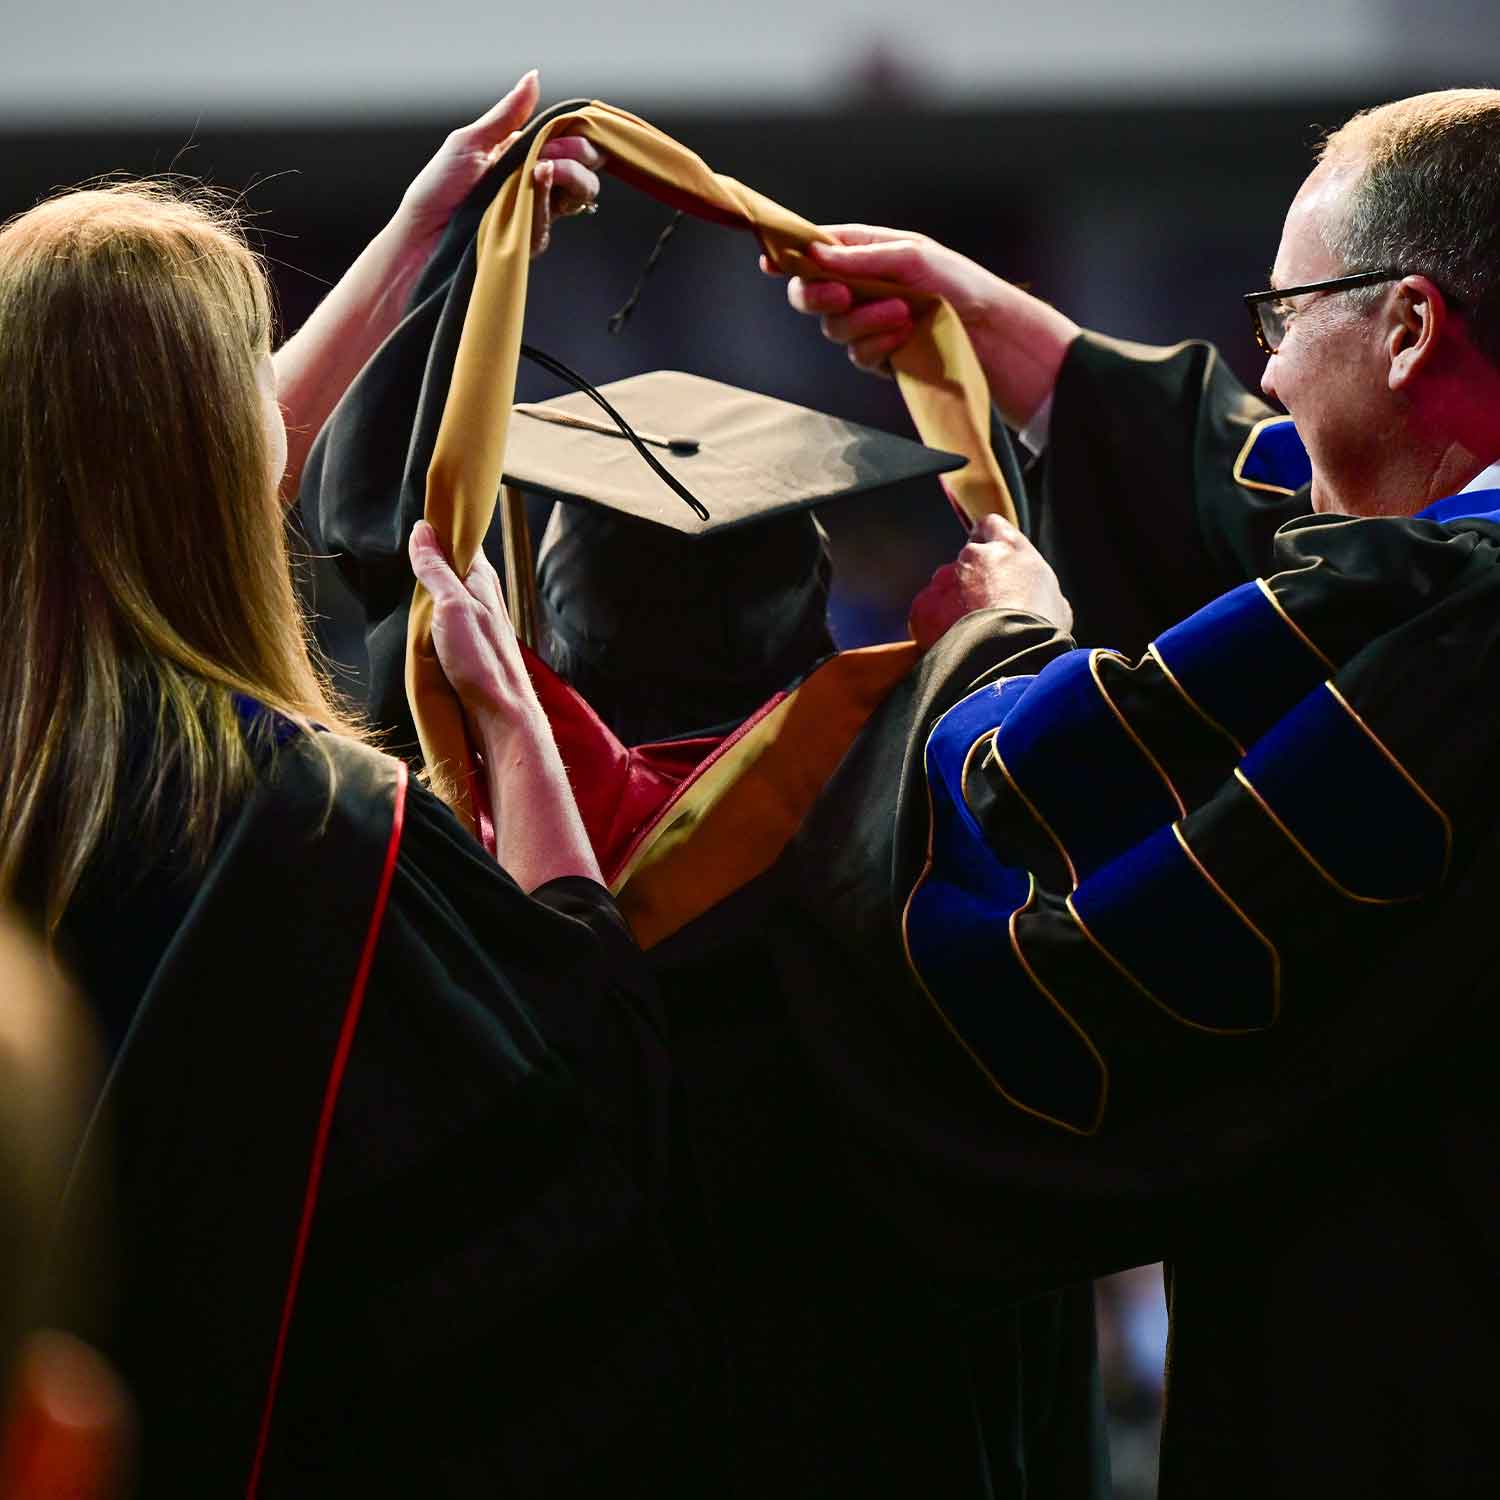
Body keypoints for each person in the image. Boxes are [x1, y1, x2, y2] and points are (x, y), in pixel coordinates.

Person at [766, 88, 1500, 1497]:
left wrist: (998, 641)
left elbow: (1069, 823)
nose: (1269, 376)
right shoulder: (1436, 585)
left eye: (1286, 320)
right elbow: (1289, 494)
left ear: (1407, 327)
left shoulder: (1443, 631)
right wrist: (1021, 343)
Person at [0, 76, 727, 1497]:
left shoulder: (48, 774)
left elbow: (134, 486)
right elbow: (586, 1101)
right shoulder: (320, 831)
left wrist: (422, 235)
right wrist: (516, 733)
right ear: (211, 459)